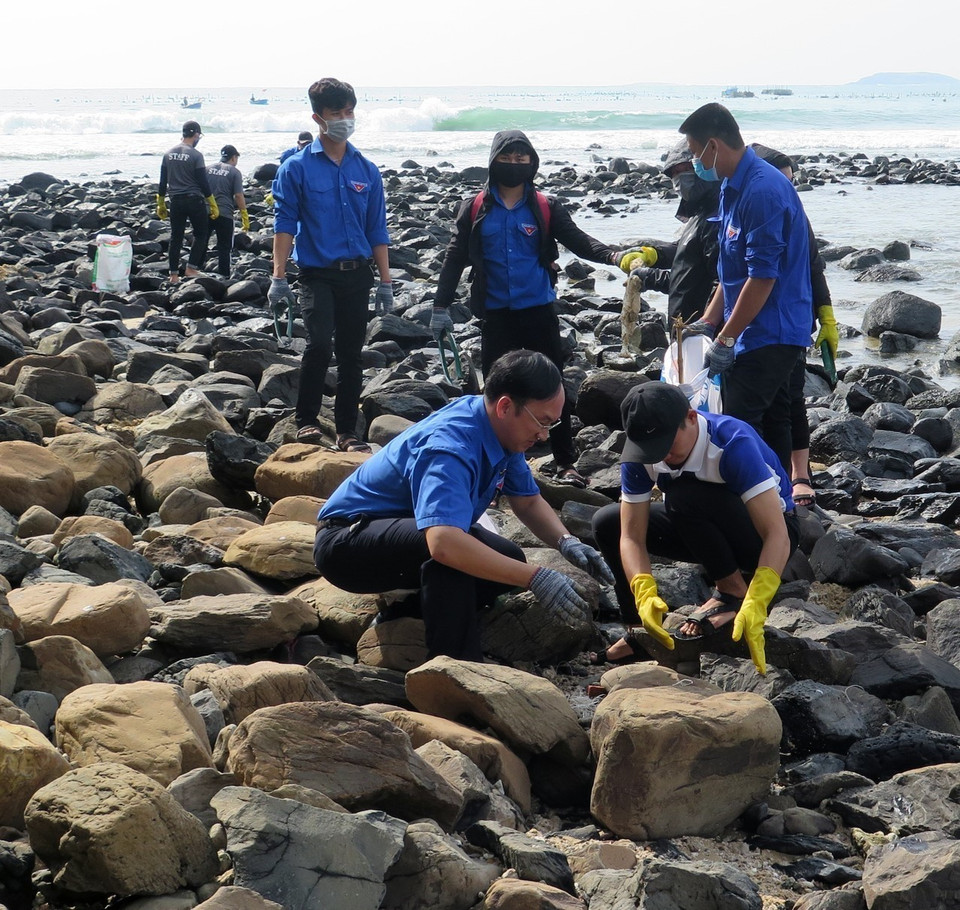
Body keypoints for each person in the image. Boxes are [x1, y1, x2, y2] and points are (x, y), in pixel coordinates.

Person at [314, 349, 615, 661]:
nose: (543, 435)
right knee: (455, 556)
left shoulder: (502, 429)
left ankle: (407, 615)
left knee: (507, 557)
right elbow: (444, 543)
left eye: (551, 425)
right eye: (542, 422)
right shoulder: (451, 446)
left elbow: (526, 501)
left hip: (401, 530)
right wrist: (534, 577)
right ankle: (456, 667)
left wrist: (566, 542)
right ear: (505, 406)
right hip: (347, 544)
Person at [430, 129, 643, 489]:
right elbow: (454, 258)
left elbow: (578, 240)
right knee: (498, 395)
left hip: (538, 311)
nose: (514, 164)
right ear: (494, 161)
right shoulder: (476, 206)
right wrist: (440, 307)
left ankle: (564, 461)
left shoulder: (545, 206)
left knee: (552, 387)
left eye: (521, 158)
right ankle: (495, 469)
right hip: (496, 314)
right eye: (507, 158)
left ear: (532, 163)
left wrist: (614, 255)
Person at [590, 381, 799, 674]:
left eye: (666, 445)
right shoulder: (641, 455)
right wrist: (644, 592)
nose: (661, 457)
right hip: (698, 525)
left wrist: (759, 599)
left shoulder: (731, 442)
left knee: (684, 494)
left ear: (690, 417)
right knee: (607, 523)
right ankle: (640, 632)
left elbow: (776, 533)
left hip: (765, 536)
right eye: (651, 450)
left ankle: (733, 593)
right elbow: (631, 536)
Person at [678, 103, 812, 475]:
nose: (694, 162)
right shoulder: (730, 187)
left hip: (774, 330)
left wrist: (725, 339)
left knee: (739, 420)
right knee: (763, 418)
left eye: (694, 153)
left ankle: (761, 505)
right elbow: (732, 271)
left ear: (714, 146)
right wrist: (708, 322)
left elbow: (763, 277)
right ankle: (773, 500)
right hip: (747, 328)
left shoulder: (764, 190)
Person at [268, 78, 393, 452]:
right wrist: (278, 277)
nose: (345, 119)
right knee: (320, 344)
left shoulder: (366, 169)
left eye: (349, 111)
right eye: (336, 113)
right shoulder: (296, 169)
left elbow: (377, 227)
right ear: (317, 118)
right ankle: (306, 420)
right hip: (316, 273)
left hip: (357, 274)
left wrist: (386, 281)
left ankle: (346, 432)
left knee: (353, 353)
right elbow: (284, 223)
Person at [749, 143, 838, 507]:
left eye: (792, 181)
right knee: (764, 406)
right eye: (782, 180)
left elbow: (815, 267)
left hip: (794, 322)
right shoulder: (753, 209)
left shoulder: (798, 216)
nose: (789, 188)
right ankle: (765, 476)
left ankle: (798, 474)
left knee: (791, 399)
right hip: (755, 325)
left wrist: (827, 314)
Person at [629, 140, 721, 323]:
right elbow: (688, 270)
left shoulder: (716, 217)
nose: (680, 178)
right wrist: (652, 257)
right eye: (675, 173)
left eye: (686, 169)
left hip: (702, 331)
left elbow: (718, 283)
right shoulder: (699, 215)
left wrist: (711, 330)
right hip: (685, 329)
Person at [157, 120, 220, 284]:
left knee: (175, 237)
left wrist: (161, 202)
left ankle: (173, 275)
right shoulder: (195, 155)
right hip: (194, 200)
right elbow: (202, 181)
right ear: (196, 134)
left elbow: (163, 181)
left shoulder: (168, 153)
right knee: (201, 234)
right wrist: (212, 203)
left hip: (176, 201)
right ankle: (191, 268)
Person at [205, 144, 249, 278]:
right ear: (234, 157)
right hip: (225, 213)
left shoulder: (207, 169)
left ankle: (194, 270)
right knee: (224, 247)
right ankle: (224, 276)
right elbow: (238, 195)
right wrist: (244, 215)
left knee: (201, 242)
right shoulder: (234, 172)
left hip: (206, 212)